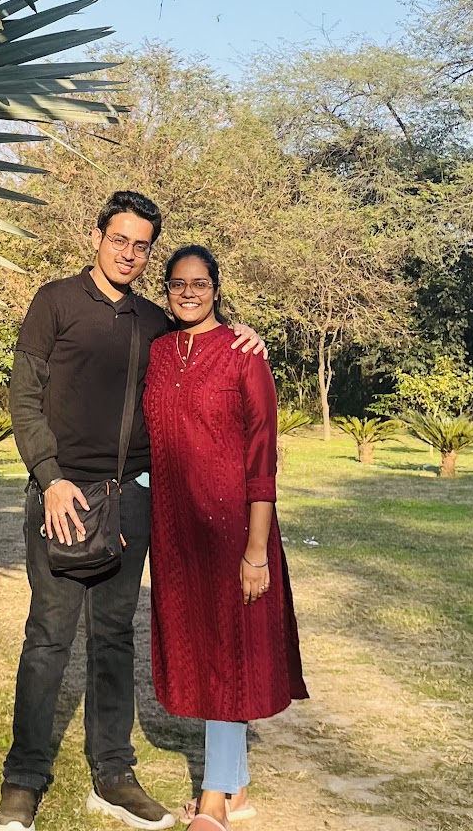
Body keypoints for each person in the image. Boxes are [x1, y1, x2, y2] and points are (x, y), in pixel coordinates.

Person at [0, 193, 268, 831]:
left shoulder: (152, 319)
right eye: (119, 239)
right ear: (97, 237)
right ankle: (24, 779)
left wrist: (245, 334)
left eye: (141, 245)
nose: (129, 253)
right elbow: (24, 398)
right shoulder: (54, 302)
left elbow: (203, 335)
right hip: (63, 497)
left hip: (130, 500)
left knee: (115, 637)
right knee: (49, 637)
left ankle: (113, 775)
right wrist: (50, 480)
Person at [144, 244, 307, 828]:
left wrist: (256, 552)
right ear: (167, 291)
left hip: (235, 530)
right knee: (209, 650)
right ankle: (236, 789)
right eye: (177, 284)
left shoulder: (243, 355)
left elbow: (262, 457)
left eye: (200, 283)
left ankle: (214, 798)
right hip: (176, 532)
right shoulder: (159, 352)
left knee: (228, 653)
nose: (189, 293)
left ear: (216, 287)